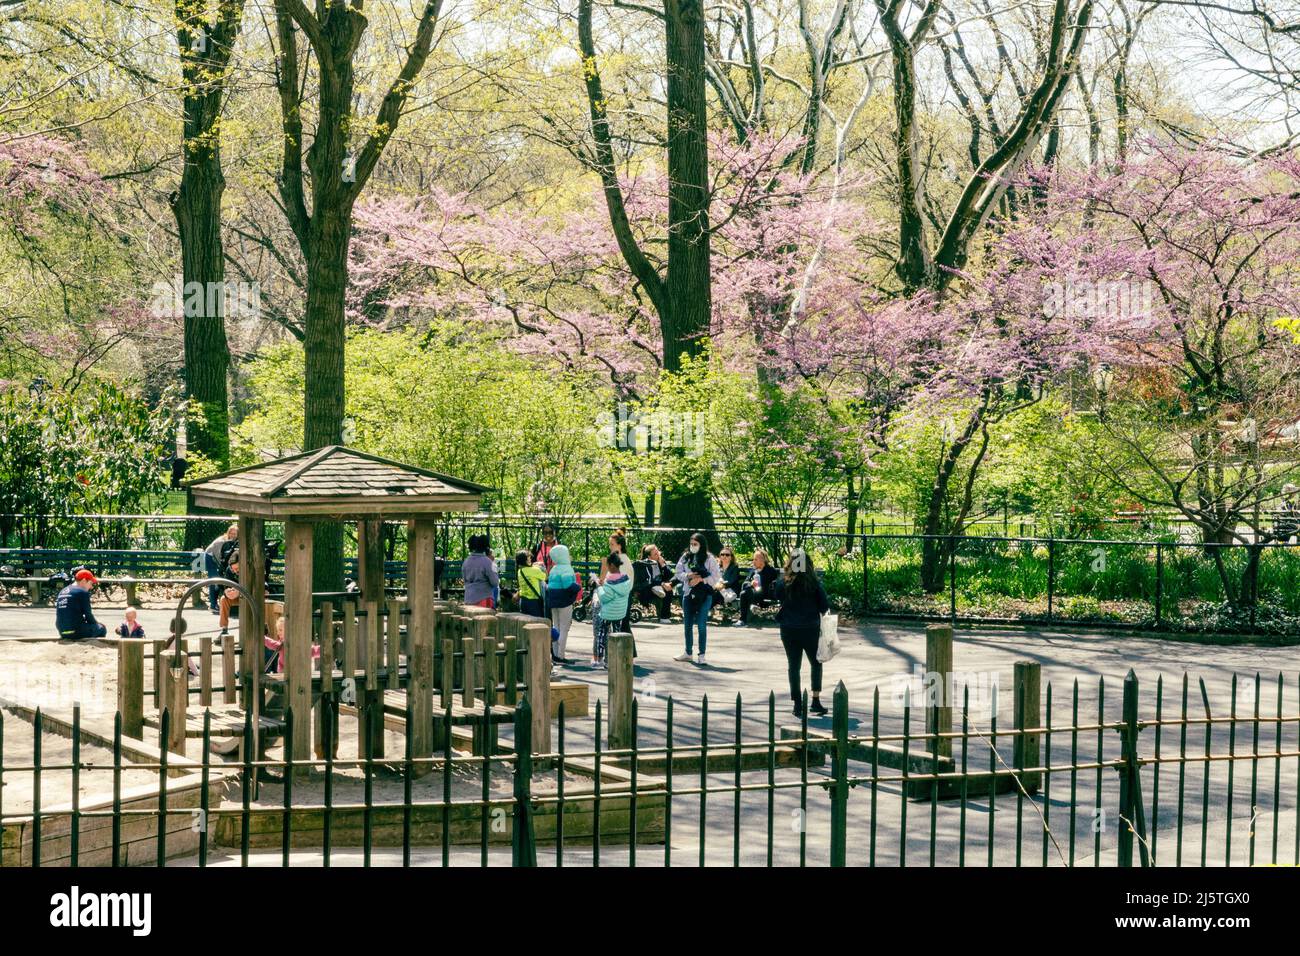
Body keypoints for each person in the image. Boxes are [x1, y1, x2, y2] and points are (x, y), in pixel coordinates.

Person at [773, 549, 830, 718]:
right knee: (816, 663)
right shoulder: (814, 584)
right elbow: (824, 606)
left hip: (789, 629)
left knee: (793, 666)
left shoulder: (784, 582)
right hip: (810, 628)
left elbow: (777, 596)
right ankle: (815, 700)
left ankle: (797, 704)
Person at [673, 533, 720, 664]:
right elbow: (678, 572)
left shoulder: (710, 558)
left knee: (701, 625)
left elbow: (716, 577)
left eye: (695, 544)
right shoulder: (686, 557)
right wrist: (688, 575)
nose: (693, 546)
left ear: (701, 545)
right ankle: (688, 652)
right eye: (691, 544)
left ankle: (702, 654)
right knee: (687, 625)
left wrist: (701, 579)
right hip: (688, 594)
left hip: (704, 595)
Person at [591, 552, 632, 669]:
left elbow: (604, 597)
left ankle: (598, 660)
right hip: (620, 613)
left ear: (612, 566)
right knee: (617, 635)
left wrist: (599, 587)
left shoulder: (609, 583)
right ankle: (615, 659)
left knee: (601, 635)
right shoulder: (625, 580)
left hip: (608, 613)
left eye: (608, 565)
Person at [545, 544, 581, 664]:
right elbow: (567, 585)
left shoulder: (554, 569)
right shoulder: (567, 568)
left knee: (556, 627)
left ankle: (555, 655)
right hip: (564, 601)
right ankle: (561, 655)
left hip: (553, 601)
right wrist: (578, 587)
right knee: (564, 628)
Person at [55, 569, 107, 639]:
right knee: (102, 629)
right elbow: (88, 616)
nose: (91, 587)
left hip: (62, 632)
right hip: (76, 631)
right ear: (84, 580)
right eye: (91, 583)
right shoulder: (82, 592)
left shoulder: (63, 591)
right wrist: (98, 625)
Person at [203, 524, 238, 613]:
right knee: (214, 580)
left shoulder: (234, 542)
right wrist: (225, 567)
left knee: (220, 579)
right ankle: (213, 605)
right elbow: (219, 556)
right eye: (231, 533)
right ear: (228, 533)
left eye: (235, 534)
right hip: (211, 557)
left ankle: (217, 603)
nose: (233, 535)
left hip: (218, 559)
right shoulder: (222, 542)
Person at [739, 549, 779, 625]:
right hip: (752, 593)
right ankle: (743, 619)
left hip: (764, 594)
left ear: (763, 560)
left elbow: (769, 584)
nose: (753, 561)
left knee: (744, 593)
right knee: (744, 593)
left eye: (755, 559)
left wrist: (759, 579)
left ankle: (744, 619)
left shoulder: (770, 570)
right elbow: (745, 583)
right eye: (753, 559)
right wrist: (751, 583)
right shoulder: (753, 571)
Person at [635, 544, 674, 621]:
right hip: (647, 590)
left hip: (660, 588)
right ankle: (664, 617)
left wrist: (663, 565)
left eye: (658, 552)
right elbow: (647, 582)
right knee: (663, 588)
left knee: (668, 590)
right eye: (655, 554)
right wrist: (661, 583)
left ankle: (664, 617)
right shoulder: (644, 565)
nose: (658, 555)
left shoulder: (660, 562)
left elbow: (670, 576)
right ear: (649, 557)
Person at [462, 534, 499, 609]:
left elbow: (465, 580)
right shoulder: (488, 562)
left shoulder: (466, 562)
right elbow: (495, 582)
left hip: (468, 600)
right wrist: (493, 564)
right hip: (484, 600)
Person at [515, 549, 547, 617]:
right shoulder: (534, 570)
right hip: (534, 602)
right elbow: (546, 577)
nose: (530, 559)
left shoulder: (519, 571)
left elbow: (528, 570)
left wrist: (533, 565)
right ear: (525, 560)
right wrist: (543, 567)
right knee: (536, 624)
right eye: (529, 557)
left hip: (523, 601)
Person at [714, 546, 742, 622]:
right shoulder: (717, 567)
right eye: (722, 554)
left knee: (714, 593)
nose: (724, 556)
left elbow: (732, 580)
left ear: (731, 557)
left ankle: (726, 612)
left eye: (727, 555)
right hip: (718, 589)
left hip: (731, 589)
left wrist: (722, 585)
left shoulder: (734, 567)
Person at [218, 551, 241, 637]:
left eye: (237, 569)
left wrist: (239, 592)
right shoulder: (229, 570)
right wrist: (227, 592)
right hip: (236, 597)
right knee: (223, 600)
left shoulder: (250, 569)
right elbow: (225, 586)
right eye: (233, 569)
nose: (235, 571)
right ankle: (224, 629)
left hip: (250, 597)